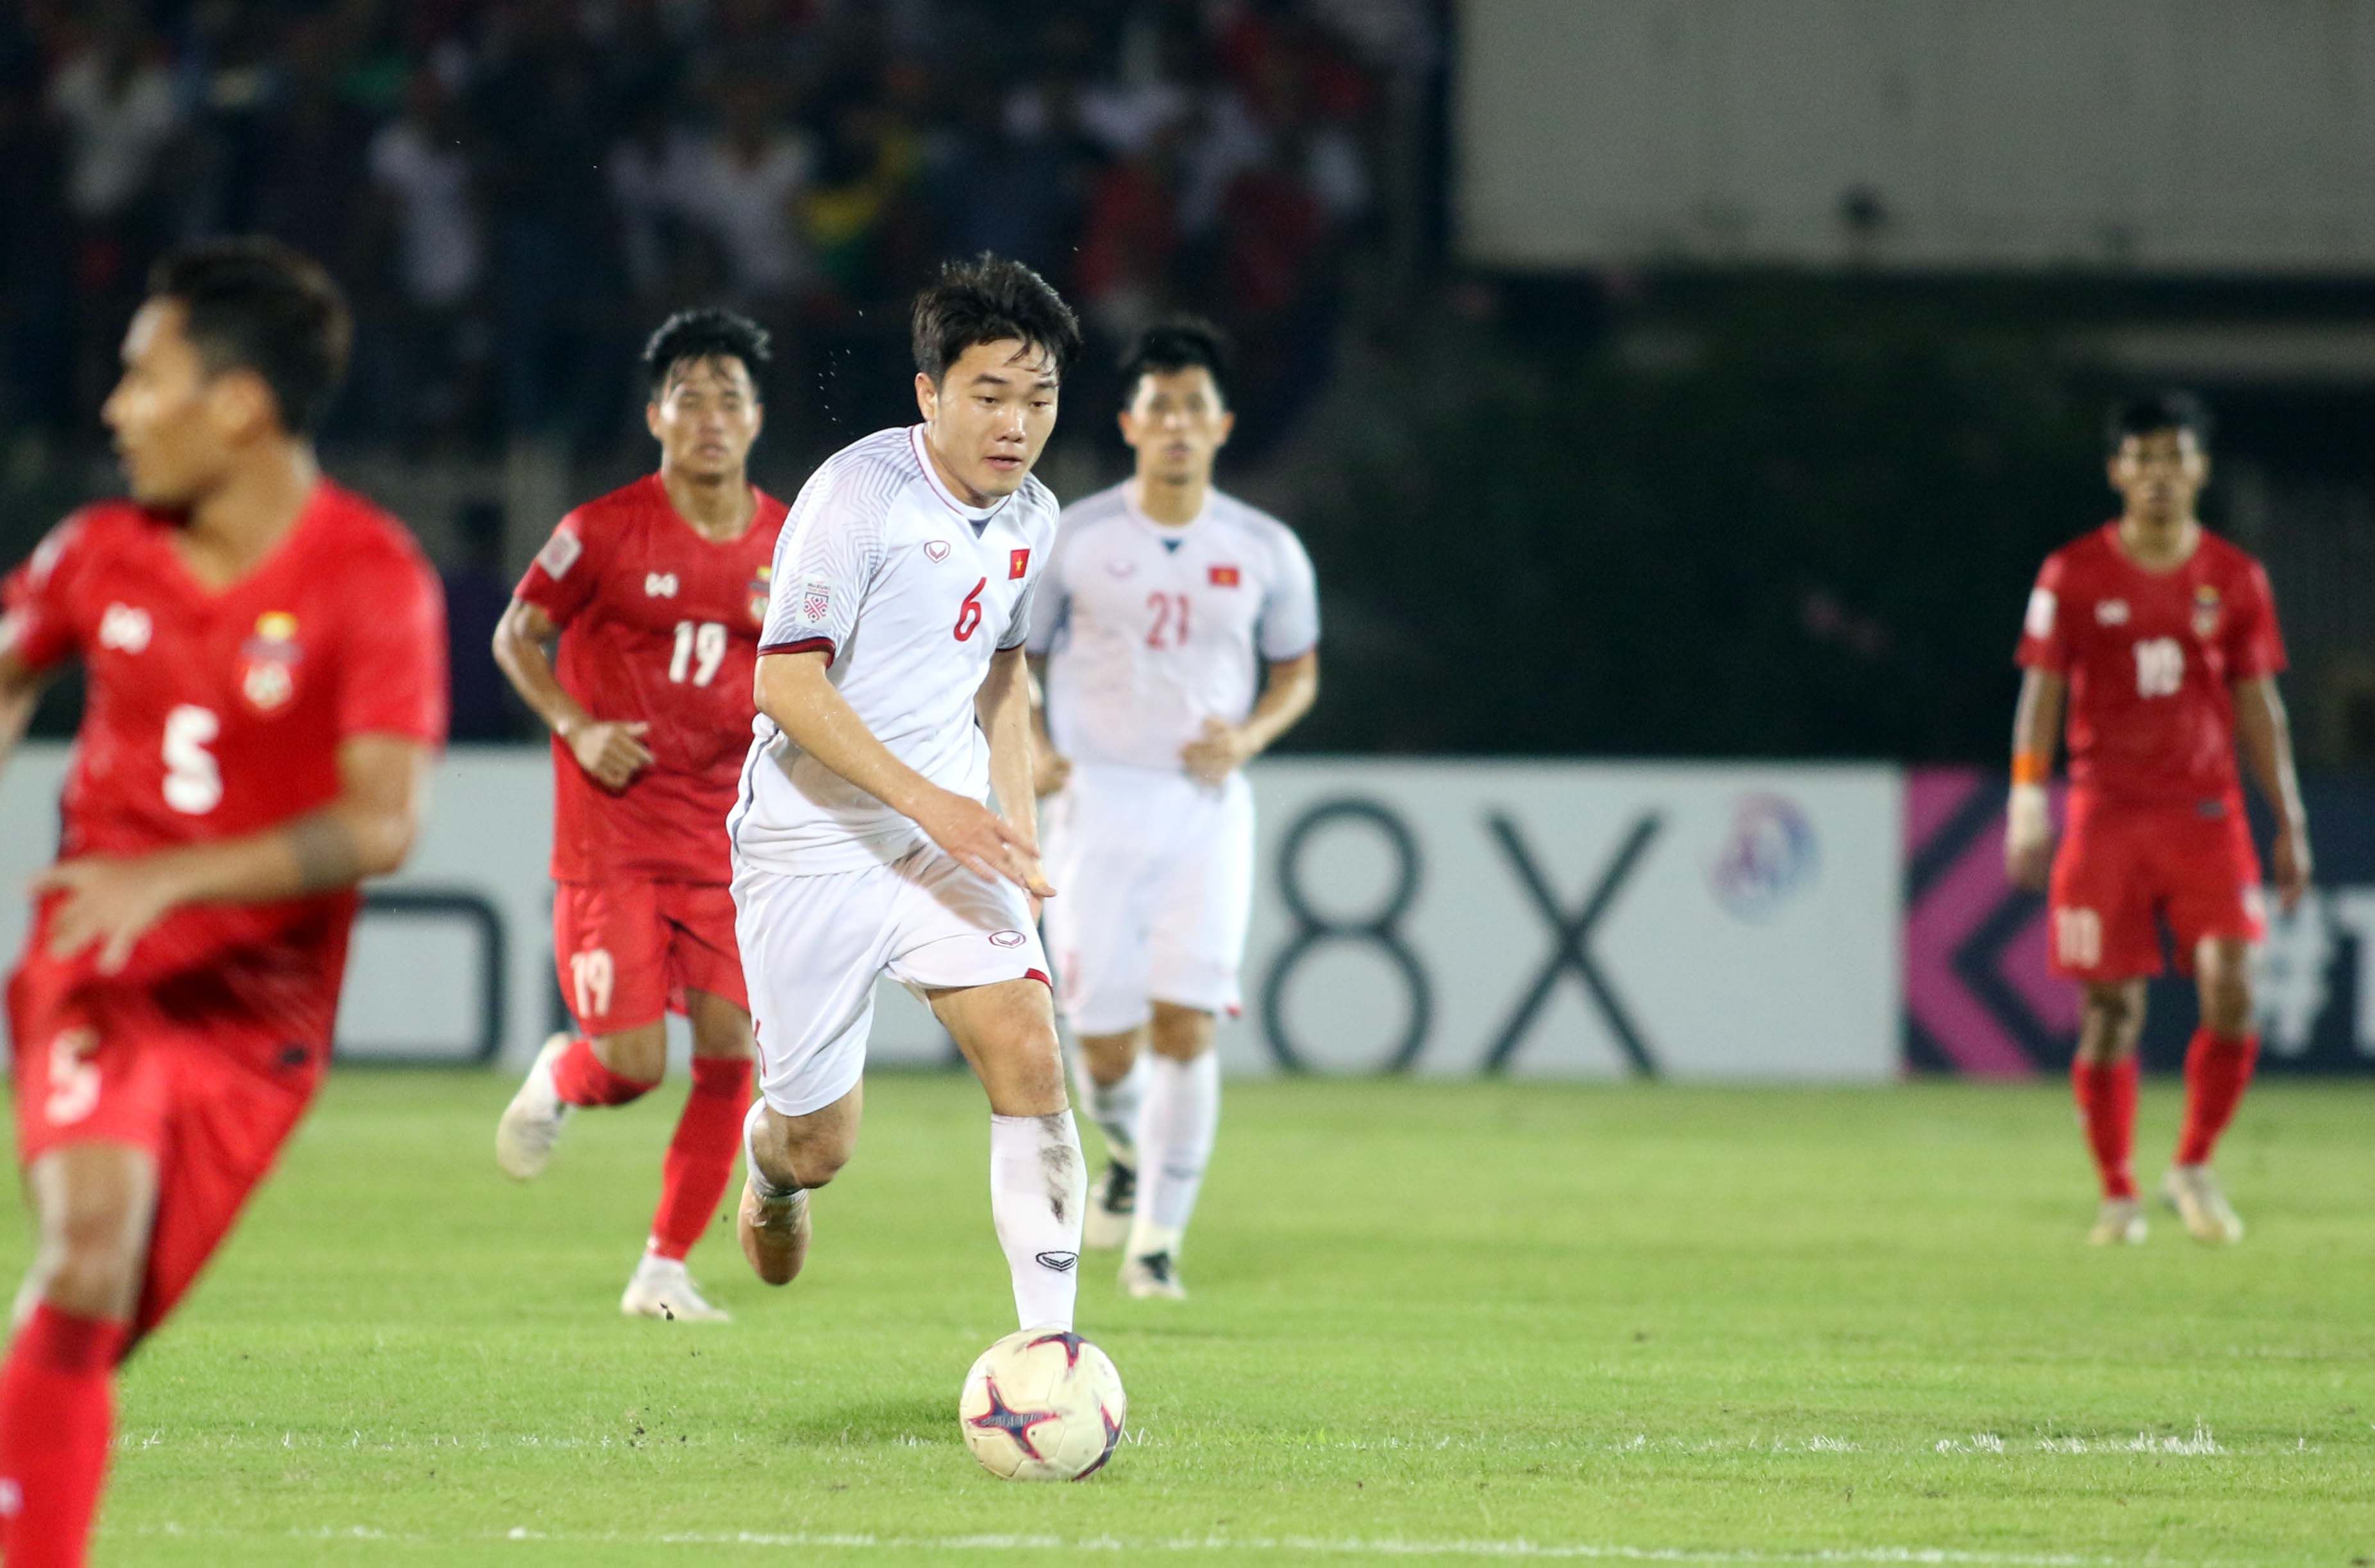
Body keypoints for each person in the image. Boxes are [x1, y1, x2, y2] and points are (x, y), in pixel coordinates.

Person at [0, 238, 446, 1565]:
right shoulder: (96, 554)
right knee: (86, 1254)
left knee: (85, 1329)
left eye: (145, 377)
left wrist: (176, 874)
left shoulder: (370, 577)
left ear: (238, 403)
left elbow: (382, 822)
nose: (115, 410)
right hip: (100, 971)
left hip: (262, 1025)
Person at [728, 254, 1084, 1337]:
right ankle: (770, 1166)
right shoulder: (858, 497)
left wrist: (1012, 826)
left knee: (1029, 1045)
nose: (1015, 425)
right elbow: (786, 684)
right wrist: (939, 804)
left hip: (946, 841)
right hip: (811, 842)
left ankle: (1049, 1352)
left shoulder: (1034, 515)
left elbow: (1004, 671)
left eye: (1038, 399)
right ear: (929, 393)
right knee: (819, 1145)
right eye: (989, 395)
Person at [491, 310, 787, 1322]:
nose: (710, 418)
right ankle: (562, 1073)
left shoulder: (790, 543)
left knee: (733, 1052)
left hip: (728, 840)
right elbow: (516, 635)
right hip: (613, 835)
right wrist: (574, 726)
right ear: (655, 415)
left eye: (728, 400)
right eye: (688, 399)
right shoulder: (602, 530)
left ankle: (663, 1267)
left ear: (756, 419)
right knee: (631, 1066)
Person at [1026, 319, 1319, 1299]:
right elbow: (1011, 659)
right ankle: (1123, 1150)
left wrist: (1248, 736)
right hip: (1094, 803)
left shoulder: (1266, 547)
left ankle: (1155, 1244)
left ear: (1223, 424)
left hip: (1204, 806)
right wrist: (1032, 744)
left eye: (1195, 406)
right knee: (1105, 1048)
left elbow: (1297, 673)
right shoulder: (1075, 538)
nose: (1178, 424)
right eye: (1160, 407)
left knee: (1187, 1025)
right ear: (1129, 424)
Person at [2006, 391, 2310, 1247]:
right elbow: (2040, 694)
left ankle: (2193, 1163)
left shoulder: (2235, 577)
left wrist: (2288, 817)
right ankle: (2117, 1193)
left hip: (2205, 813)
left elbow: (2259, 705)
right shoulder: (2070, 573)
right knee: (2110, 1012)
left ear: (2200, 469)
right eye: (2142, 458)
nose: (2159, 475)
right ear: (2116, 471)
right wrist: (2026, 799)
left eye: (2175, 457)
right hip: (2104, 813)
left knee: (2232, 982)